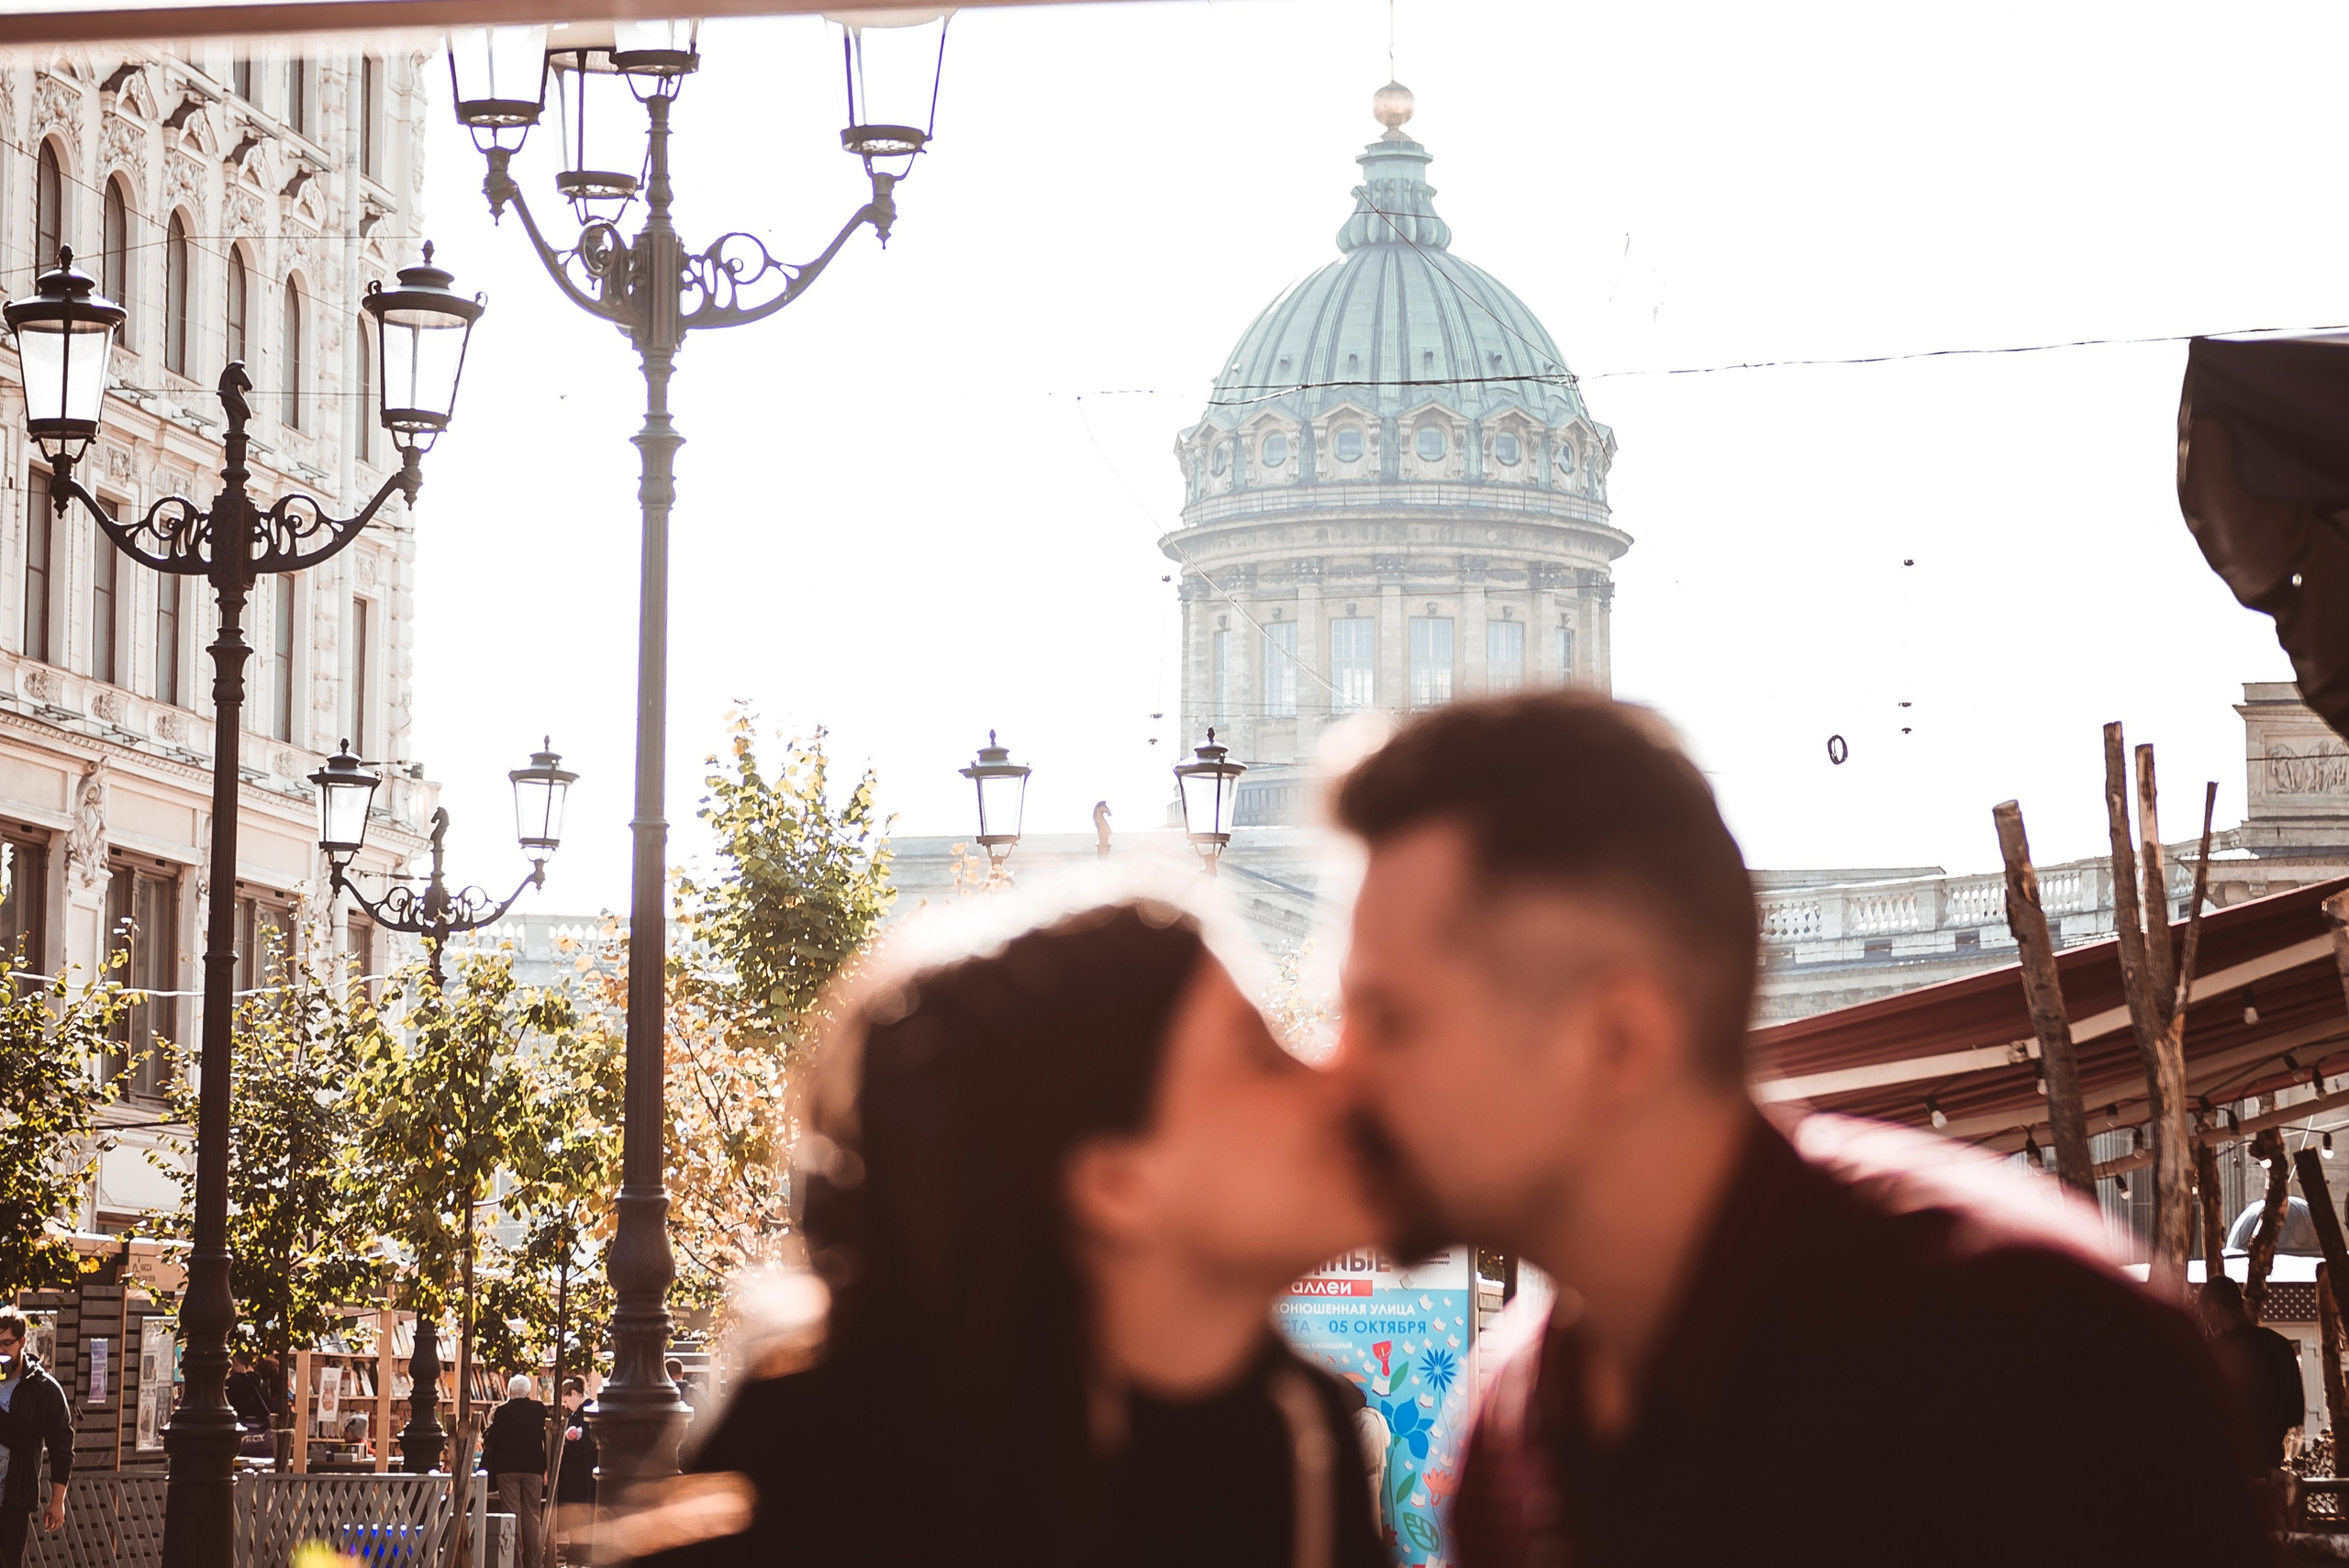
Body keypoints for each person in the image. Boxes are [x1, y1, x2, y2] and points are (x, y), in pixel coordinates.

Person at [1328, 692, 2273, 1567]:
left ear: (1617, 1037)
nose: (1336, 1074)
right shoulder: (1518, 1408)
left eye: (1390, 1019)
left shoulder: (2027, 1352)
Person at [666, 895, 1389, 1568]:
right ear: (1112, 1183)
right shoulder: (826, 1522)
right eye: (1260, 1054)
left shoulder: (1299, 1445)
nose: (1333, 1078)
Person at [2200, 1276, 2307, 1471]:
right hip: (2270, 1464)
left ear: (2215, 1309)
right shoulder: (2281, 1346)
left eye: (2204, 1315)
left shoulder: (2214, 1353)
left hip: (2225, 1469)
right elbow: (2295, 1412)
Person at [0, 1308, 72, 1567]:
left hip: (14, 1498)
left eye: (6, 1343)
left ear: (22, 1342)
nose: (0, 1351)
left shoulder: (42, 1388)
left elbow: (61, 1444)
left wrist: (57, 1500)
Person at [484, 1373, 551, 1568]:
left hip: (507, 1469)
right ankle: (533, 1562)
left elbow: (491, 1440)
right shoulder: (540, 1409)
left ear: (509, 1391)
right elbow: (546, 1438)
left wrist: (489, 1423)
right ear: (528, 1392)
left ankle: (515, 1562)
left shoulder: (502, 1412)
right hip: (534, 1468)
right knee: (532, 1515)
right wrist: (546, 1467)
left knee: (512, 1514)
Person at [553, 1376, 597, 1564]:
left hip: (582, 1477)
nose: (565, 1405)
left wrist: (564, 1447)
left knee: (581, 1521)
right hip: (579, 1477)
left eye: (565, 1400)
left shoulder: (587, 1412)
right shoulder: (579, 1413)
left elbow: (587, 1443)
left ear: (573, 1393)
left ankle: (579, 1559)